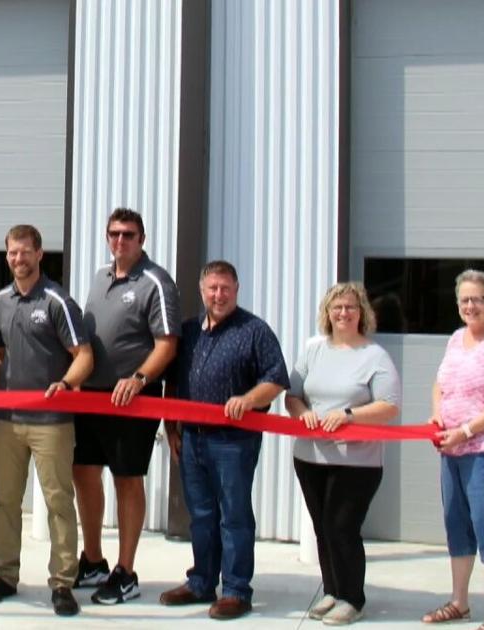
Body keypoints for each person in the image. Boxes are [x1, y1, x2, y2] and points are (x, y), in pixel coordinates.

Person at [0, 224, 93, 617]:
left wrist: (66, 382)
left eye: (25, 252)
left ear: (40, 254)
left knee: (58, 501)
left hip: (51, 422)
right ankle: (5, 576)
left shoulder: (58, 301)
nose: (18, 259)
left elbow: (84, 356)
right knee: (6, 502)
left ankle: (62, 583)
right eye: (12, 252)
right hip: (7, 420)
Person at [161, 260, 288, 620]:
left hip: (234, 441)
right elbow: (173, 383)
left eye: (225, 289)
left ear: (236, 290)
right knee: (200, 516)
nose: (218, 295)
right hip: (191, 440)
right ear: (202, 291)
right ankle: (201, 582)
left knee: (233, 517)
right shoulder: (188, 332)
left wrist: (249, 400)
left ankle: (235, 590)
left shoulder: (254, 331)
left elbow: (275, 379)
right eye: (212, 288)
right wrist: (171, 428)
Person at [74, 208, 180, 604]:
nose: (121, 241)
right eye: (115, 234)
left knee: (126, 478)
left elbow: (168, 345)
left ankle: (126, 571)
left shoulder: (156, 282)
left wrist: (138, 379)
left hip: (133, 398)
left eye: (129, 235)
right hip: (90, 395)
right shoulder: (100, 277)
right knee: (83, 472)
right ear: (107, 237)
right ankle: (94, 559)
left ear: (142, 239)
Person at [284, 282, 400, 625]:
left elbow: (389, 407)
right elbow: (292, 393)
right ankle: (333, 591)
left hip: (356, 461)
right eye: (337, 308)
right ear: (327, 313)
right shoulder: (313, 349)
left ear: (362, 312)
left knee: (342, 527)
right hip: (311, 457)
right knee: (323, 527)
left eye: (351, 307)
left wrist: (349, 415)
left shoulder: (374, 355)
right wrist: (300, 411)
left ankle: (353, 598)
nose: (344, 313)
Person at [421, 270, 484, 630]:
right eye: (464, 300)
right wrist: (438, 416)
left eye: (477, 299)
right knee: (457, 525)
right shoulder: (455, 339)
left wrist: (466, 430)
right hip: (452, 451)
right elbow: (440, 384)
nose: (469, 306)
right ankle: (460, 602)